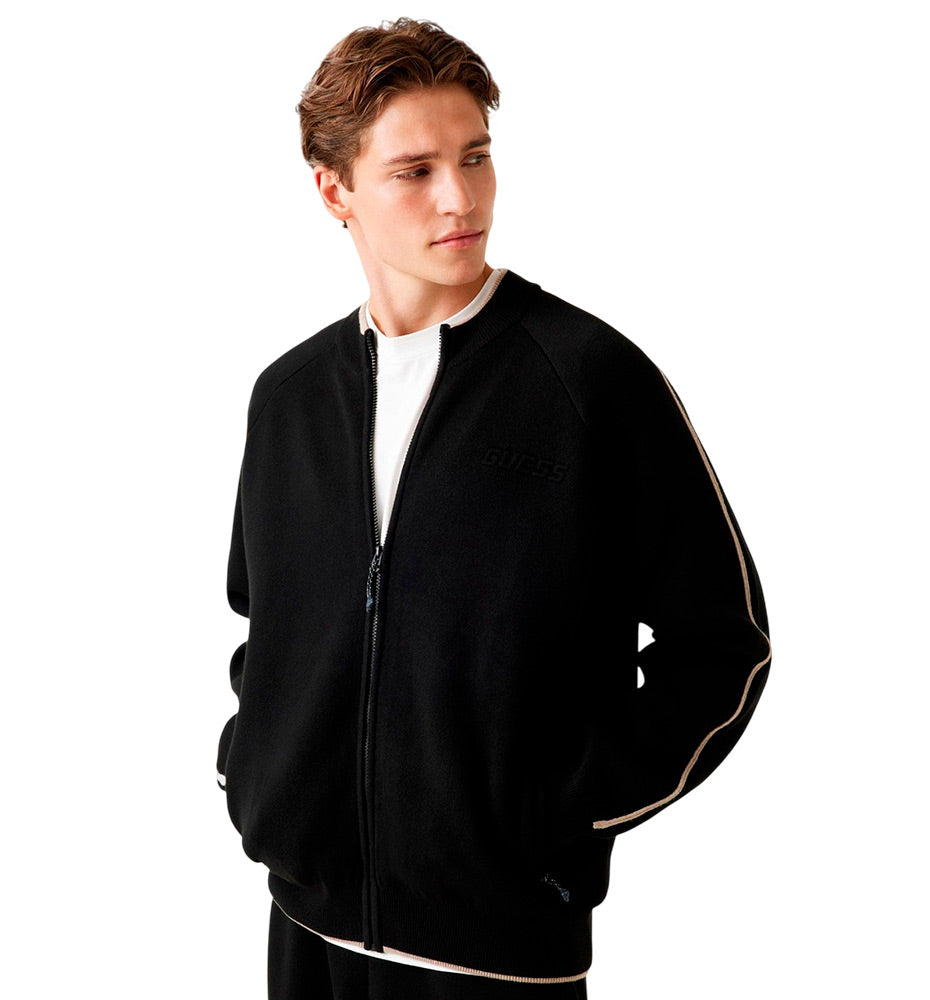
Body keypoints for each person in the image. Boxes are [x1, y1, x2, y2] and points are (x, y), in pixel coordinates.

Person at [216, 17, 772, 1000]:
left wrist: (560, 813)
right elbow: (270, 628)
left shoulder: (589, 382)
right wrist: (256, 774)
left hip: (498, 953)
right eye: (415, 170)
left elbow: (724, 645)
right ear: (334, 189)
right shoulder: (289, 398)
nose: (461, 198)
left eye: (475, 157)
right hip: (307, 930)